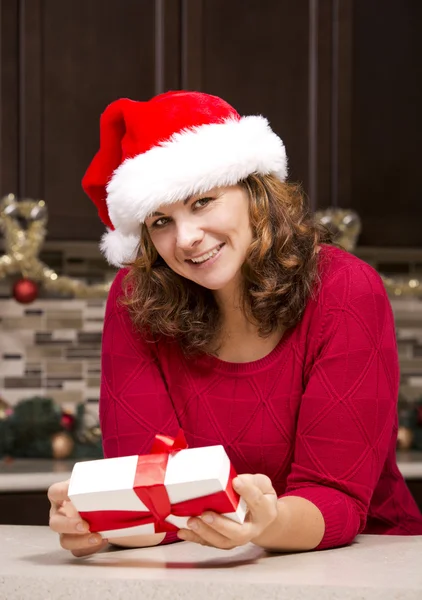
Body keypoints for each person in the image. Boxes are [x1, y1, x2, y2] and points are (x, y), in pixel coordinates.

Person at [48, 90, 422, 558]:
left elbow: (339, 499)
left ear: (256, 194)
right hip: (202, 565)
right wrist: (100, 520)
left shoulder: (345, 290)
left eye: (203, 201)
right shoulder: (135, 301)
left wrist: (265, 522)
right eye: (161, 220)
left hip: (366, 559)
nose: (185, 239)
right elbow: (153, 491)